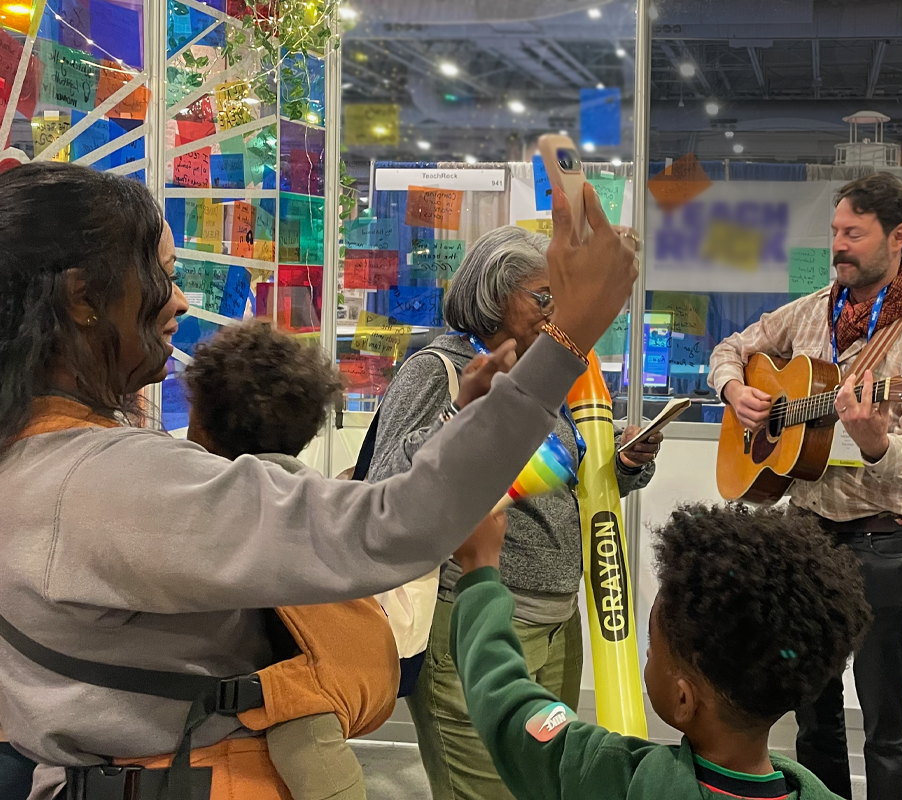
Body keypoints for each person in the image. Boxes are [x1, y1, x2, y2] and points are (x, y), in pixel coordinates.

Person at [0, 162, 637, 800]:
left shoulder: (40, 460)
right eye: (162, 275)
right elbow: (390, 523)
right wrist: (570, 336)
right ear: (83, 298)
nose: (181, 301)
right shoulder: (99, 482)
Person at [367, 225, 662, 800]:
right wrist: (460, 410)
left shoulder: (545, 371)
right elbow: (385, 484)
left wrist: (624, 466)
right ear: (492, 296)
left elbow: (556, 486)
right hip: (474, 615)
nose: (556, 311)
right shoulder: (439, 367)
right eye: (542, 296)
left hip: (557, 623)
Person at [708, 172, 902, 800]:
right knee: (812, 711)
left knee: (884, 720)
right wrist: (737, 391)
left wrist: (873, 440)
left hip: (882, 545)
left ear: (898, 237)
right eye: (834, 232)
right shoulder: (810, 313)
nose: (838, 245)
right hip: (805, 538)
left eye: (854, 233)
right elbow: (729, 349)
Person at [448, 503, 872, 800]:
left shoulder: (614, 777)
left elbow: (504, 701)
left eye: (653, 649)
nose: (647, 656)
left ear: (684, 699)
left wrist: (481, 569)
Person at [182, 319, 403, 800]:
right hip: (344, 685)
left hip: (294, 704)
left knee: (306, 742)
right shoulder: (309, 495)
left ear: (204, 423)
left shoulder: (221, 501)